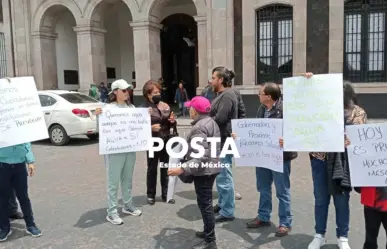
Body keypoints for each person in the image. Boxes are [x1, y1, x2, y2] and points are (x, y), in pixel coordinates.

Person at [302, 73, 361, 249]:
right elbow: (301, 114)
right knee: (320, 199)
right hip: (319, 160)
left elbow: (361, 139)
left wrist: (350, 141)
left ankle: (343, 236)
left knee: (341, 198)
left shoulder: (357, 112)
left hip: (343, 163)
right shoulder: (319, 109)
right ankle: (319, 234)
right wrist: (309, 83)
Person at [240, 83, 297, 237]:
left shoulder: (286, 110)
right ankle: (263, 216)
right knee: (263, 187)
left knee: (282, 190)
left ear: (269, 97)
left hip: (281, 157)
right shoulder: (261, 109)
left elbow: (297, 131)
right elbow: (258, 130)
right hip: (263, 155)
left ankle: (285, 222)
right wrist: (240, 136)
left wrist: (288, 140)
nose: (258, 95)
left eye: (260, 93)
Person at [168, 96, 221, 249]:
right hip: (211, 169)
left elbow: (201, 156)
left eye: (190, 108)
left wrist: (182, 168)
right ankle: (207, 231)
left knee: (205, 205)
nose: (188, 110)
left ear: (196, 111)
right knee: (205, 203)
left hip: (204, 171)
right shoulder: (210, 122)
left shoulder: (199, 127)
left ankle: (210, 240)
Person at [95, 79, 142, 225]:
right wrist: (98, 116)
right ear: (115, 92)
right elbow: (100, 129)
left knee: (127, 179)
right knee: (113, 182)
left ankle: (127, 205)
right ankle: (112, 211)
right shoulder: (107, 108)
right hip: (114, 151)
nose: (127, 92)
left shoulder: (132, 108)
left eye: (128, 90)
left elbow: (139, 126)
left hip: (129, 149)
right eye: (123, 90)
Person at [209, 66, 238, 223]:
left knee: (224, 176)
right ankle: (222, 204)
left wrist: (204, 120)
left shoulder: (227, 96)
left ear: (220, 79)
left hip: (224, 140)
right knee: (220, 175)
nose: (211, 80)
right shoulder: (222, 94)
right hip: (219, 140)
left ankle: (228, 211)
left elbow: (220, 118)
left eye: (213, 78)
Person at [142, 80, 176, 205]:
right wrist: (150, 128)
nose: (157, 94)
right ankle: (151, 194)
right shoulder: (144, 108)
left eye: (158, 92)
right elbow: (137, 126)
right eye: (154, 92)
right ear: (148, 95)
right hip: (152, 141)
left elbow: (170, 121)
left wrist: (172, 120)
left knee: (165, 166)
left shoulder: (165, 105)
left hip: (165, 139)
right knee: (152, 168)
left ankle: (166, 193)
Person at [0, 143, 42, 241]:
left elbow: (26, 143)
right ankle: (4, 228)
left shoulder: (19, 129)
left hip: (19, 164)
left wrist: (30, 161)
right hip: (2, 165)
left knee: (23, 197)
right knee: (2, 198)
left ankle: (31, 225)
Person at [225, 80, 246, 201]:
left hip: (231, 134)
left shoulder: (235, 93)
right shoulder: (209, 92)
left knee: (226, 163)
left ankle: (230, 190)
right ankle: (226, 190)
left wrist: (241, 129)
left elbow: (241, 112)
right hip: (215, 135)